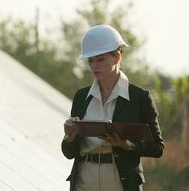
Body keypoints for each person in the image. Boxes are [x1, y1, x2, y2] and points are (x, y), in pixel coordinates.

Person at [61, 25, 164, 191]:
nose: (94, 66)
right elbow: (69, 153)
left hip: (120, 182)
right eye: (90, 61)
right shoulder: (81, 97)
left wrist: (127, 145)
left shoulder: (140, 98)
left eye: (100, 59)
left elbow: (157, 148)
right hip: (84, 180)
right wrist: (69, 137)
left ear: (117, 57)